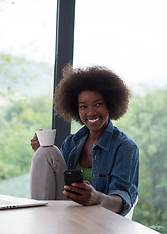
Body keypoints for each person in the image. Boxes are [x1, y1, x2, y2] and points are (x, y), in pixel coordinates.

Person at [30, 64, 139, 216]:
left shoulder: (125, 147)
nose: (91, 112)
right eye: (83, 106)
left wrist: (96, 198)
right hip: (66, 216)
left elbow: (123, 202)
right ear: (76, 109)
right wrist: (42, 152)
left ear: (110, 104)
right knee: (46, 152)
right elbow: (55, 186)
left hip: (101, 223)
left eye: (98, 104)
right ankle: (40, 222)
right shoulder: (71, 142)